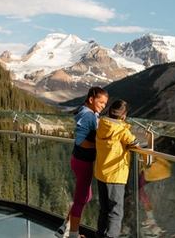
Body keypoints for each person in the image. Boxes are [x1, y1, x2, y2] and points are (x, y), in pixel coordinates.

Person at [55, 86, 109, 238]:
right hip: (84, 162)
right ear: (91, 100)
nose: (103, 106)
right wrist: (100, 146)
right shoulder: (89, 115)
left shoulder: (86, 111)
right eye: (101, 103)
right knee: (81, 199)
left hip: (78, 160)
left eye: (105, 104)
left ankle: (65, 226)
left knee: (86, 196)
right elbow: (80, 141)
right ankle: (73, 234)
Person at [94, 99, 139, 238]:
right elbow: (135, 143)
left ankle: (100, 235)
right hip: (115, 175)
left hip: (101, 173)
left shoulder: (102, 125)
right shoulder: (121, 130)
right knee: (116, 212)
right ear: (123, 115)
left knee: (104, 209)